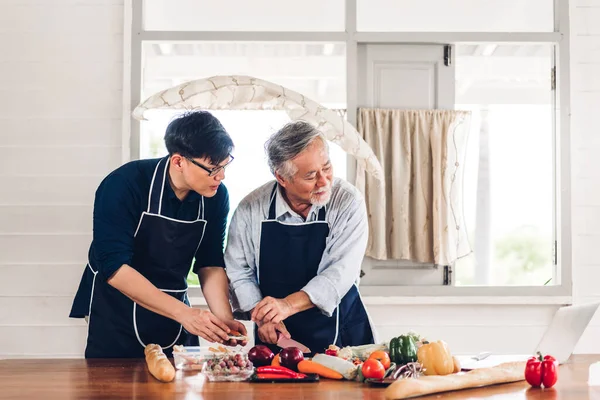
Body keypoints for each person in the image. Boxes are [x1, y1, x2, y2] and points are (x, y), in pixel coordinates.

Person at [69, 111, 247, 358]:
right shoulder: (124, 184)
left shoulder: (216, 196)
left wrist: (224, 319)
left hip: (174, 305)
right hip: (116, 308)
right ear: (178, 161)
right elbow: (114, 267)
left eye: (225, 165)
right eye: (212, 168)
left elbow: (210, 263)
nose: (221, 176)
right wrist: (185, 314)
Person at [225, 121, 375, 354]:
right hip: (276, 335)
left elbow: (340, 271)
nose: (324, 181)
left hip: (342, 333)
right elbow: (239, 271)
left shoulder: (347, 202)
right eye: (311, 176)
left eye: (327, 168)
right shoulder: (250, 209)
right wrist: (263, 316)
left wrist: (286, 305)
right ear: (282, 178)